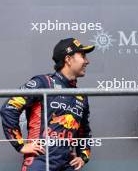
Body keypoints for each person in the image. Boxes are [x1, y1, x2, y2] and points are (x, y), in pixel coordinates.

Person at [0, 38, 95, 171]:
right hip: (39, 162)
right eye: (82, 56)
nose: (87, 61)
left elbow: (84, 130)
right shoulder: (44, 83)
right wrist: (20, 145)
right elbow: (9, 108)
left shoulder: (81, 95)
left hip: (67, 164)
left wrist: (83, 156)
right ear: (68, 59)